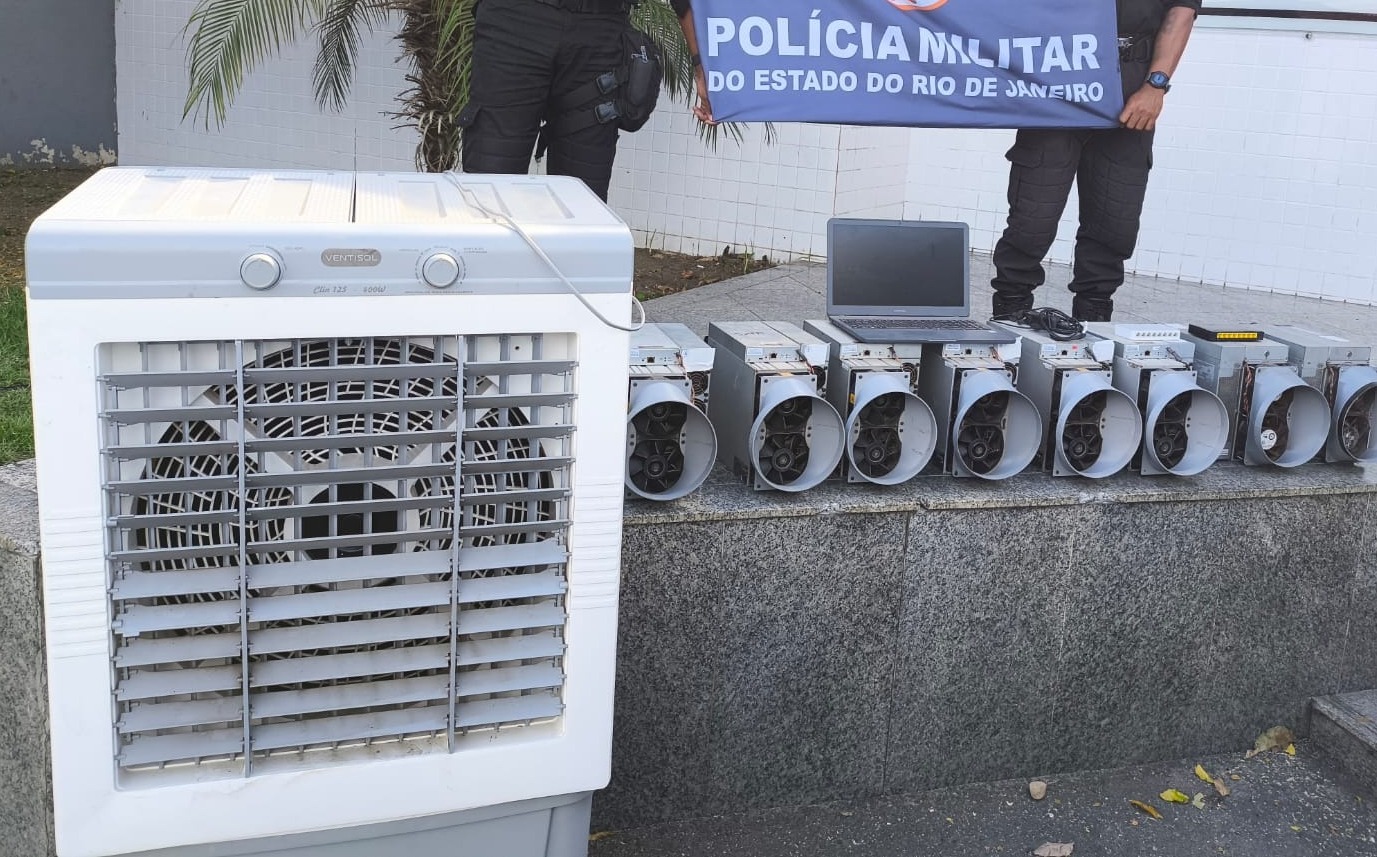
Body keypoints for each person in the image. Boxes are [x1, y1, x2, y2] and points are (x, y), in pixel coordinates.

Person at [990, 0, 1201, 323]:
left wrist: (1155, 85)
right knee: (1032, 218)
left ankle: (1094, 328)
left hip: (1130, 82)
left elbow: (1181, 11)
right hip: (1056, 78)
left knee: (1114, 222)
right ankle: (1009, 318)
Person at [460, 0, 711, 202]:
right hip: (514, 23)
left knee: (583, 201)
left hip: (599, 32)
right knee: (490, 189)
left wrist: (704, 68)